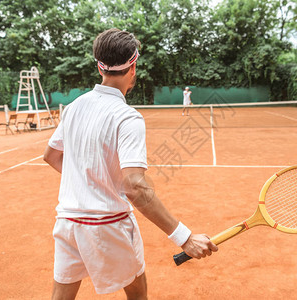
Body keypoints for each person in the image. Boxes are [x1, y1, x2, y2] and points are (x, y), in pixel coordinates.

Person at [43, 28, 218, 300]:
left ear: (99, 66)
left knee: (61, 294)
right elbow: (135, 187)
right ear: (133, 67)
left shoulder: (74, 106)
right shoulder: (127, 117)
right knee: (137, 292)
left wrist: (88, 180)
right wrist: (184, 237)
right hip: (108, 224)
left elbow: (52, 156)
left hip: (67, 221)